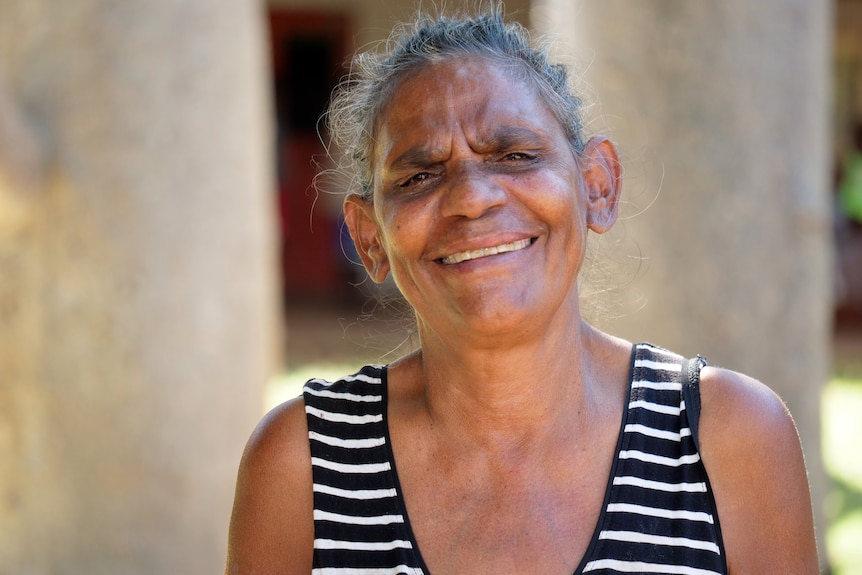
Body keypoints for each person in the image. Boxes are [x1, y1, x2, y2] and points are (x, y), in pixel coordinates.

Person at [225, 6, 818, 574]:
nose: (472, 197)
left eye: (514, 155)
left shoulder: (725, 439)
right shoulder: (303, 465)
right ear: (370, 237)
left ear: (597, 187)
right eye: (420, 175)